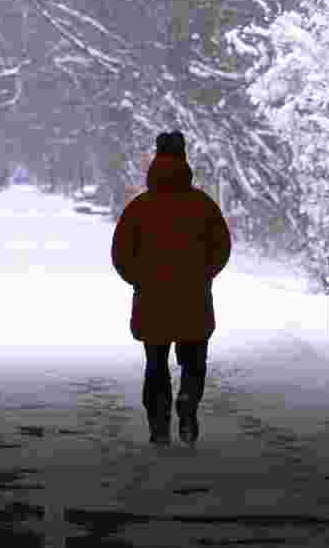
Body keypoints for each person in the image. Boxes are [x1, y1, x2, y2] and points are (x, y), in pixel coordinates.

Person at [110, 131, 231, 446]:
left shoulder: (140, 207)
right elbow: (222, 248)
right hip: (194, 299)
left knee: (155, 364)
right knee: (193, 361)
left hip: (152, 300)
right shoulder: (203, 205)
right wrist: (203, 274)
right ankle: (188, 400)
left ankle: (159, 425)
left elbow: (121, 254)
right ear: (184, 160)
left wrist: (141, 279)